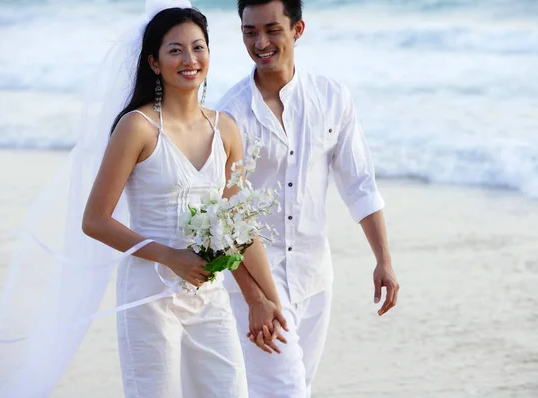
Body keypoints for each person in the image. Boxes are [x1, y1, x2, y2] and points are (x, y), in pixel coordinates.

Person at [81, 4, 285, 398]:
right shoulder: (137, 127)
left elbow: (238, 228)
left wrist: (265, 300)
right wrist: (169, 255)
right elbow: (95, 220)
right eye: (175, 50)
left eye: (198, 47)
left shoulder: (225, 128)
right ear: (154, 63)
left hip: (208, 298)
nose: (190, 60)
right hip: (148, 296)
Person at [217, 0, 400, 396]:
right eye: (250, 32)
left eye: (272, 29)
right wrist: (253, 298)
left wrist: (383, 259)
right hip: (258, 278)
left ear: (298, 29)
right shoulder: (228, 114)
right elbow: (224, 219)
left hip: (316, 274)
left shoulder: (333, 98)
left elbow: (360, 183)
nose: (260, 42)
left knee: (299, 386)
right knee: (286, 390)